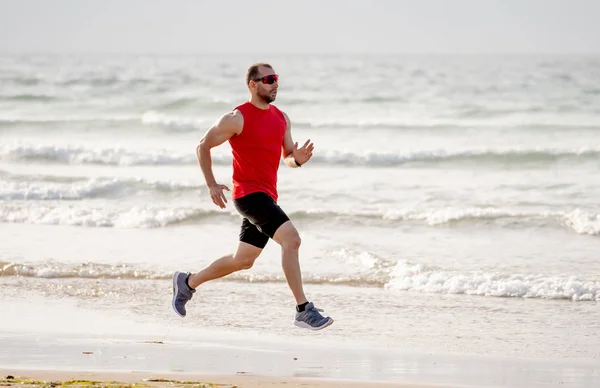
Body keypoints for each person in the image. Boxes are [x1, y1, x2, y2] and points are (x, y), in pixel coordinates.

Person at [171, 63, 334, 331]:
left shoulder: (282, 118)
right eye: (268, 79)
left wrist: (298, 160)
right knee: (292, 240)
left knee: (243, 260)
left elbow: (288, 158)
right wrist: (211, 183)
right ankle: (303, 310)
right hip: (248, 195)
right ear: (253, 84)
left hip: (267, 196)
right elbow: (202, 146)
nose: (274, 84)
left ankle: (187, 283)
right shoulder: (237, 117)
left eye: (276, 79)